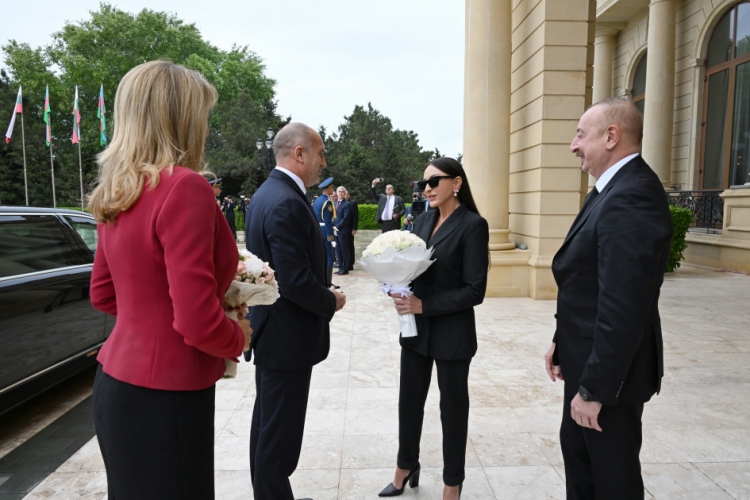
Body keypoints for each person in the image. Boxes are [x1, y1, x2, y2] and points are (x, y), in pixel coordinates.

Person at [87, 60, 252, 498]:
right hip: (167, 396)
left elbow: (103, 293)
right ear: (181, 119)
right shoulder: (185, 187)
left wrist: (154, 316)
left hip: (116, 384)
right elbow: (196, 321)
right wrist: (238, 336)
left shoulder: (116, 190)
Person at [544, 98, 673, 500]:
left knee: (611, 480)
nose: (573, 145)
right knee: (583, 469)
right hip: (587, 362)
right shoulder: (611, 188)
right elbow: (588, 282)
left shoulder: (632, 195)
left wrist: (595, 390)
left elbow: (624, 306)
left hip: (608, 380)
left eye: (581, 134)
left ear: (612, 137)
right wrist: (561, 338)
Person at [244, 122, 347, 500]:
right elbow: (293, 280)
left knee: (268, 426)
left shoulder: (268, 194)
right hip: (286, 336)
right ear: (299, 153)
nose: (323, 162)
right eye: (320, 153)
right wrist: (330, 299)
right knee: (279, 436)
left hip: (274, 332)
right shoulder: (286, 200)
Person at [379, 157, 489, 500]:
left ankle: (452, 483)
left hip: (452, 332)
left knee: (452, 410)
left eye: (433, 181)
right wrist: (394, 284)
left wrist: (426, 305)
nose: (425, 188)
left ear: (456, 183)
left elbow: (475, 290)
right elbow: (411, 268)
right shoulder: (422, 220)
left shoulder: (473, 225)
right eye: (423, 183)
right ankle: (405, 466)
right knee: (408, 402)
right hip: (415, 330)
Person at [313, 177, 336, 286]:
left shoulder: (318, 200)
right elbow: (327, 221)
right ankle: (328, 282)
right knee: (329, 257)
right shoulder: (327, 202)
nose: (333, 190)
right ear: (328, 188)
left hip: (318, 231)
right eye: (332, 188)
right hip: (325, 232)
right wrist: (331, 237)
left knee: (322, 257)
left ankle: (323, 281)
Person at [333, 186, 352, 275]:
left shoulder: (347, 204)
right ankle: (340, 267)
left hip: (342, 230)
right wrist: (332, 226)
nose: (340, 193)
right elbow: (333, 217)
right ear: (336, 193)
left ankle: (345, 268)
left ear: (344, 193)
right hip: (334, 230)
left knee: (344, 250)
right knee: (338, 250)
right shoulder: (335, 203)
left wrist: (337, 227)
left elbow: (346, 218)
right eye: (339, 191)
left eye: (342, 192)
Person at [345, 189, 358, 271]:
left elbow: (355, 217)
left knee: (350, 245)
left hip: (350, 228)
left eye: (346, 194)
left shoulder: (352, 203)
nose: (344, 195)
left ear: (349, 195)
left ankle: (351, 263)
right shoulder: (341, 203)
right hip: (343, 229)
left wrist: (354, 228)